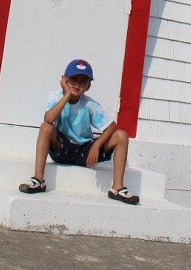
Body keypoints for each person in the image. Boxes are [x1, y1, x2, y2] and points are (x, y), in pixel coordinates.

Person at [19, 59, 139, 205]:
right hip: (62, 148)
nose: (77, 84)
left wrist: (96, 145)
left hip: (85, 151)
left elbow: (112, 126)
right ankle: (39, 179)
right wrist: (67, 95)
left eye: (83, 81)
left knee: (121, 135)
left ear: (88, 86)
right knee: (46, 127)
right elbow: (49, 119)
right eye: (73, 79)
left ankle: (117, 187)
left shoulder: (89, 104)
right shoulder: (56, 97)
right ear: (64, 80)